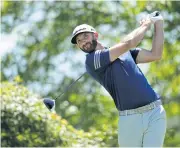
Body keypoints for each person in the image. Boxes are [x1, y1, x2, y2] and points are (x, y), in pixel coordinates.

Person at [71, 11, 166, 147]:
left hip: (154, 112)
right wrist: (146, 24)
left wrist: (158, 23)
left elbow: (155, 54)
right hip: (129, 118)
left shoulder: (124, 53)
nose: (83, 42)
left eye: (85, 36)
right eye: (79, 41)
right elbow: (129, 42)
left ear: (95, 35)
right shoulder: (92, 60)